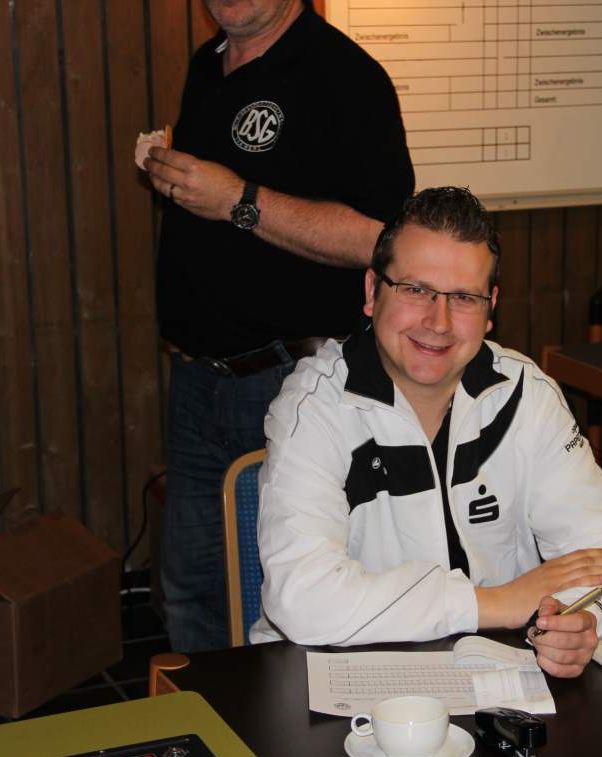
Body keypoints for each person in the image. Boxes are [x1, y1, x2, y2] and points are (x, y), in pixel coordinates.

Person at [252, 187, 602, 677]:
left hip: (492, 673)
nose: (438, 322)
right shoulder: (314, 407)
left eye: (463, 297)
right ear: (373, 292)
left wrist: (580, 617)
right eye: (415, 290)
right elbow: (302, 599)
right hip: (334, 677)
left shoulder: (524, 393)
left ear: (490, 308)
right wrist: (495, 603)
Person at [143, 0, 414, 652]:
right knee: (192, 593)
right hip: (196, 381)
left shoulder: (347, 76)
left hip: (286, 383)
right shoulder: (207, 64)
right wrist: (181, 182)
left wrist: (237, 201)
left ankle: (285, 723)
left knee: (285, 603)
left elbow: (383, 241)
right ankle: (211, 719)